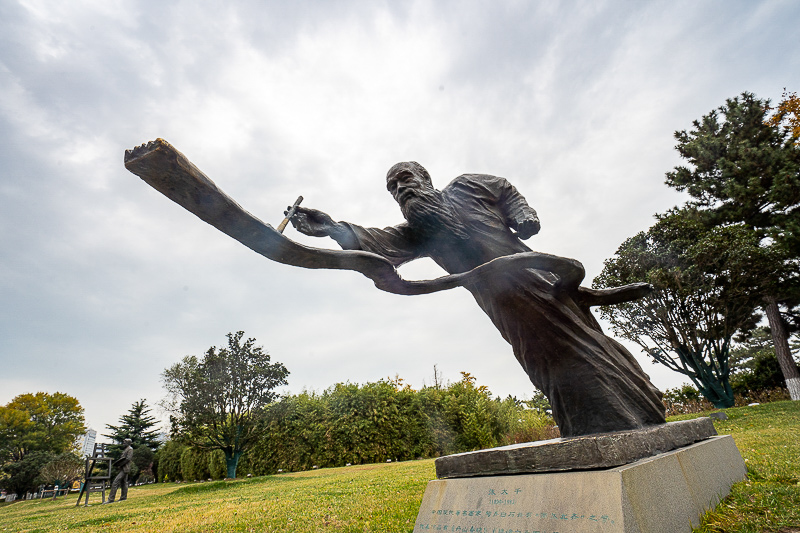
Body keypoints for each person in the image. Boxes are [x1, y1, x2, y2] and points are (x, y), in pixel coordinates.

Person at [290, 162, 666, 437]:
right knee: (541, 363)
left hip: (540, 283)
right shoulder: (417, 233)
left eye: (404, 179)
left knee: (583, 346)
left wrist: (524, 213)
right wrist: (331, 228)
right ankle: (590, 425)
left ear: (425, 178)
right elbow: (374, 243)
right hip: (503, 307)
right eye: (392, 188)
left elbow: (503, 189)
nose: (399, 189)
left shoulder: (467, 187)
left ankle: (633, 412)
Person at [106, 438, 133, 503]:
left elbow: (128, 459)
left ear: (128, 443)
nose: (123, 444)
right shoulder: (126, 449)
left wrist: (120, 464)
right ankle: (123, 497)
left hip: (125, 469)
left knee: (115, 482)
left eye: (124, 442)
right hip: (123, 469)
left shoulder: (130, 449)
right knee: (124, 483)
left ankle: (111, 499)